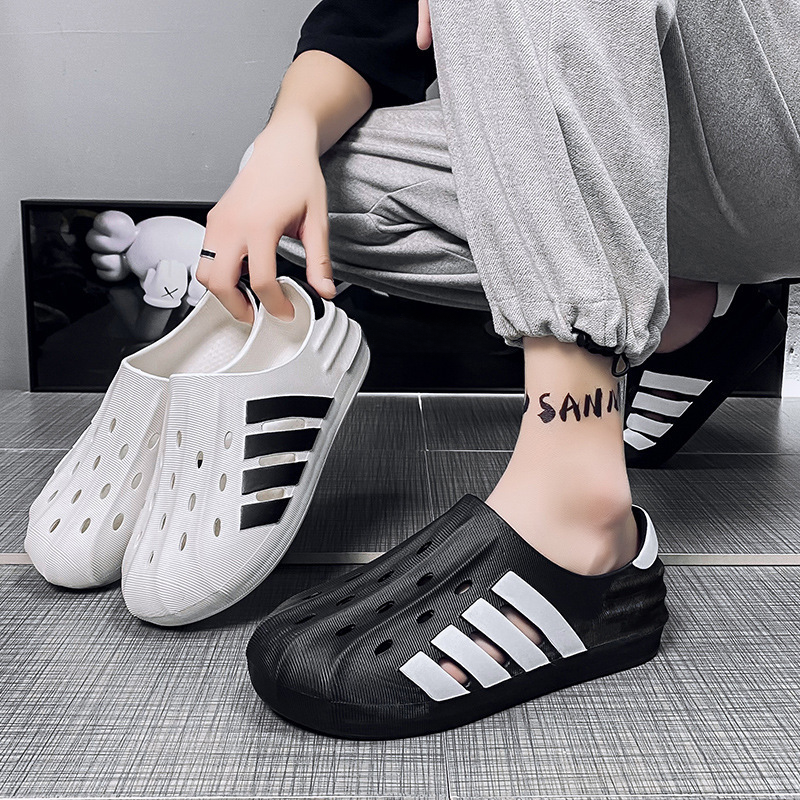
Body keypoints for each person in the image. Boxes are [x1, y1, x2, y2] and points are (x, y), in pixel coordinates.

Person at [198, 0, 799, 737]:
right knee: (315, 191)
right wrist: (285, 137)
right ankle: (692, 310)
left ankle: (577, 513)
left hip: (770, 116)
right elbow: (366, 29)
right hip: (667, 162)